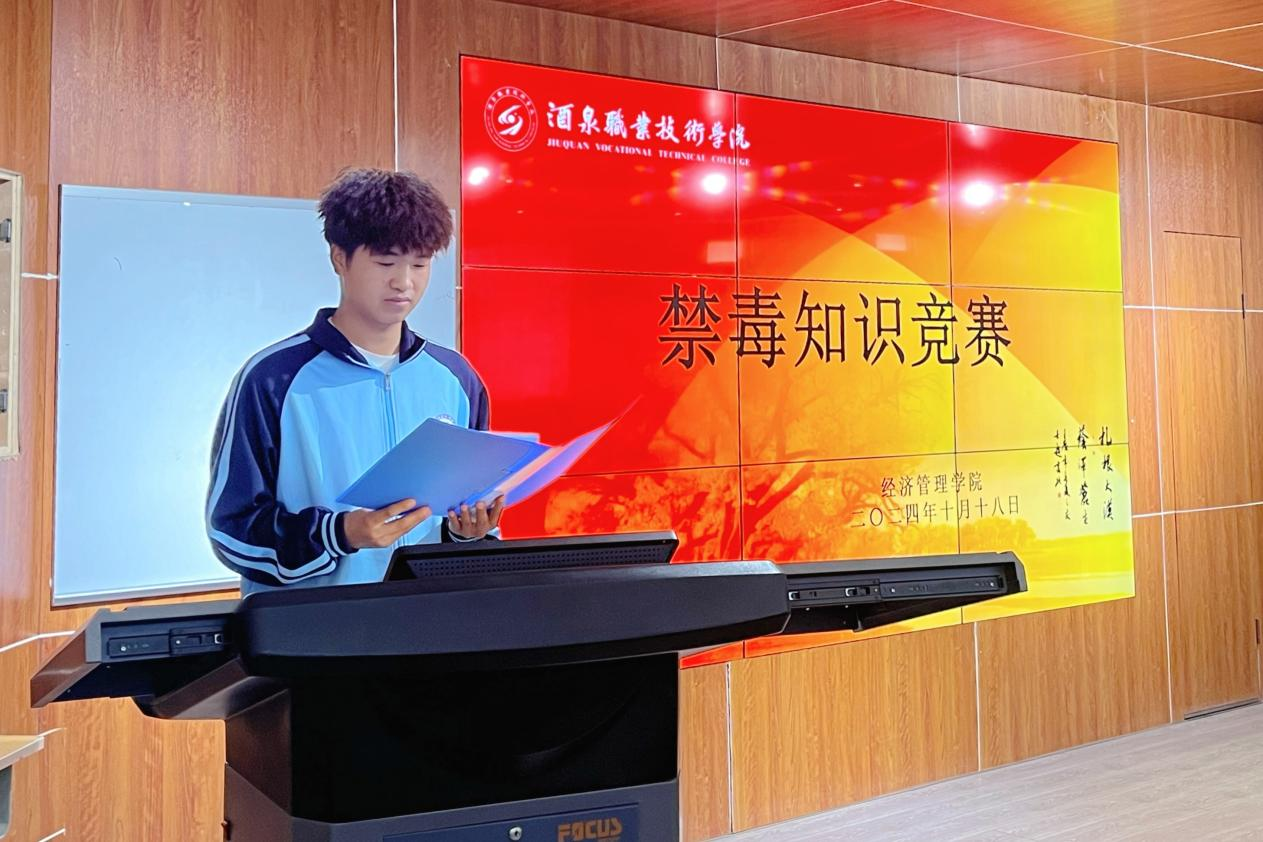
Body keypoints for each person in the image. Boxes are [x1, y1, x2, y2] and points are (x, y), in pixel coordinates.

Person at [206, 168, 502, 593]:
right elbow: (232, 531)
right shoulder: (273, 379)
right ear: (339, 259)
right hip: (314, 627)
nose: (404, 282)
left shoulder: (456, 377)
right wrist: (340, 533)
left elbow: (463, 518)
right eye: (385, 263)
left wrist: (466, 534)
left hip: (424, 621)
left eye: (420, 264)